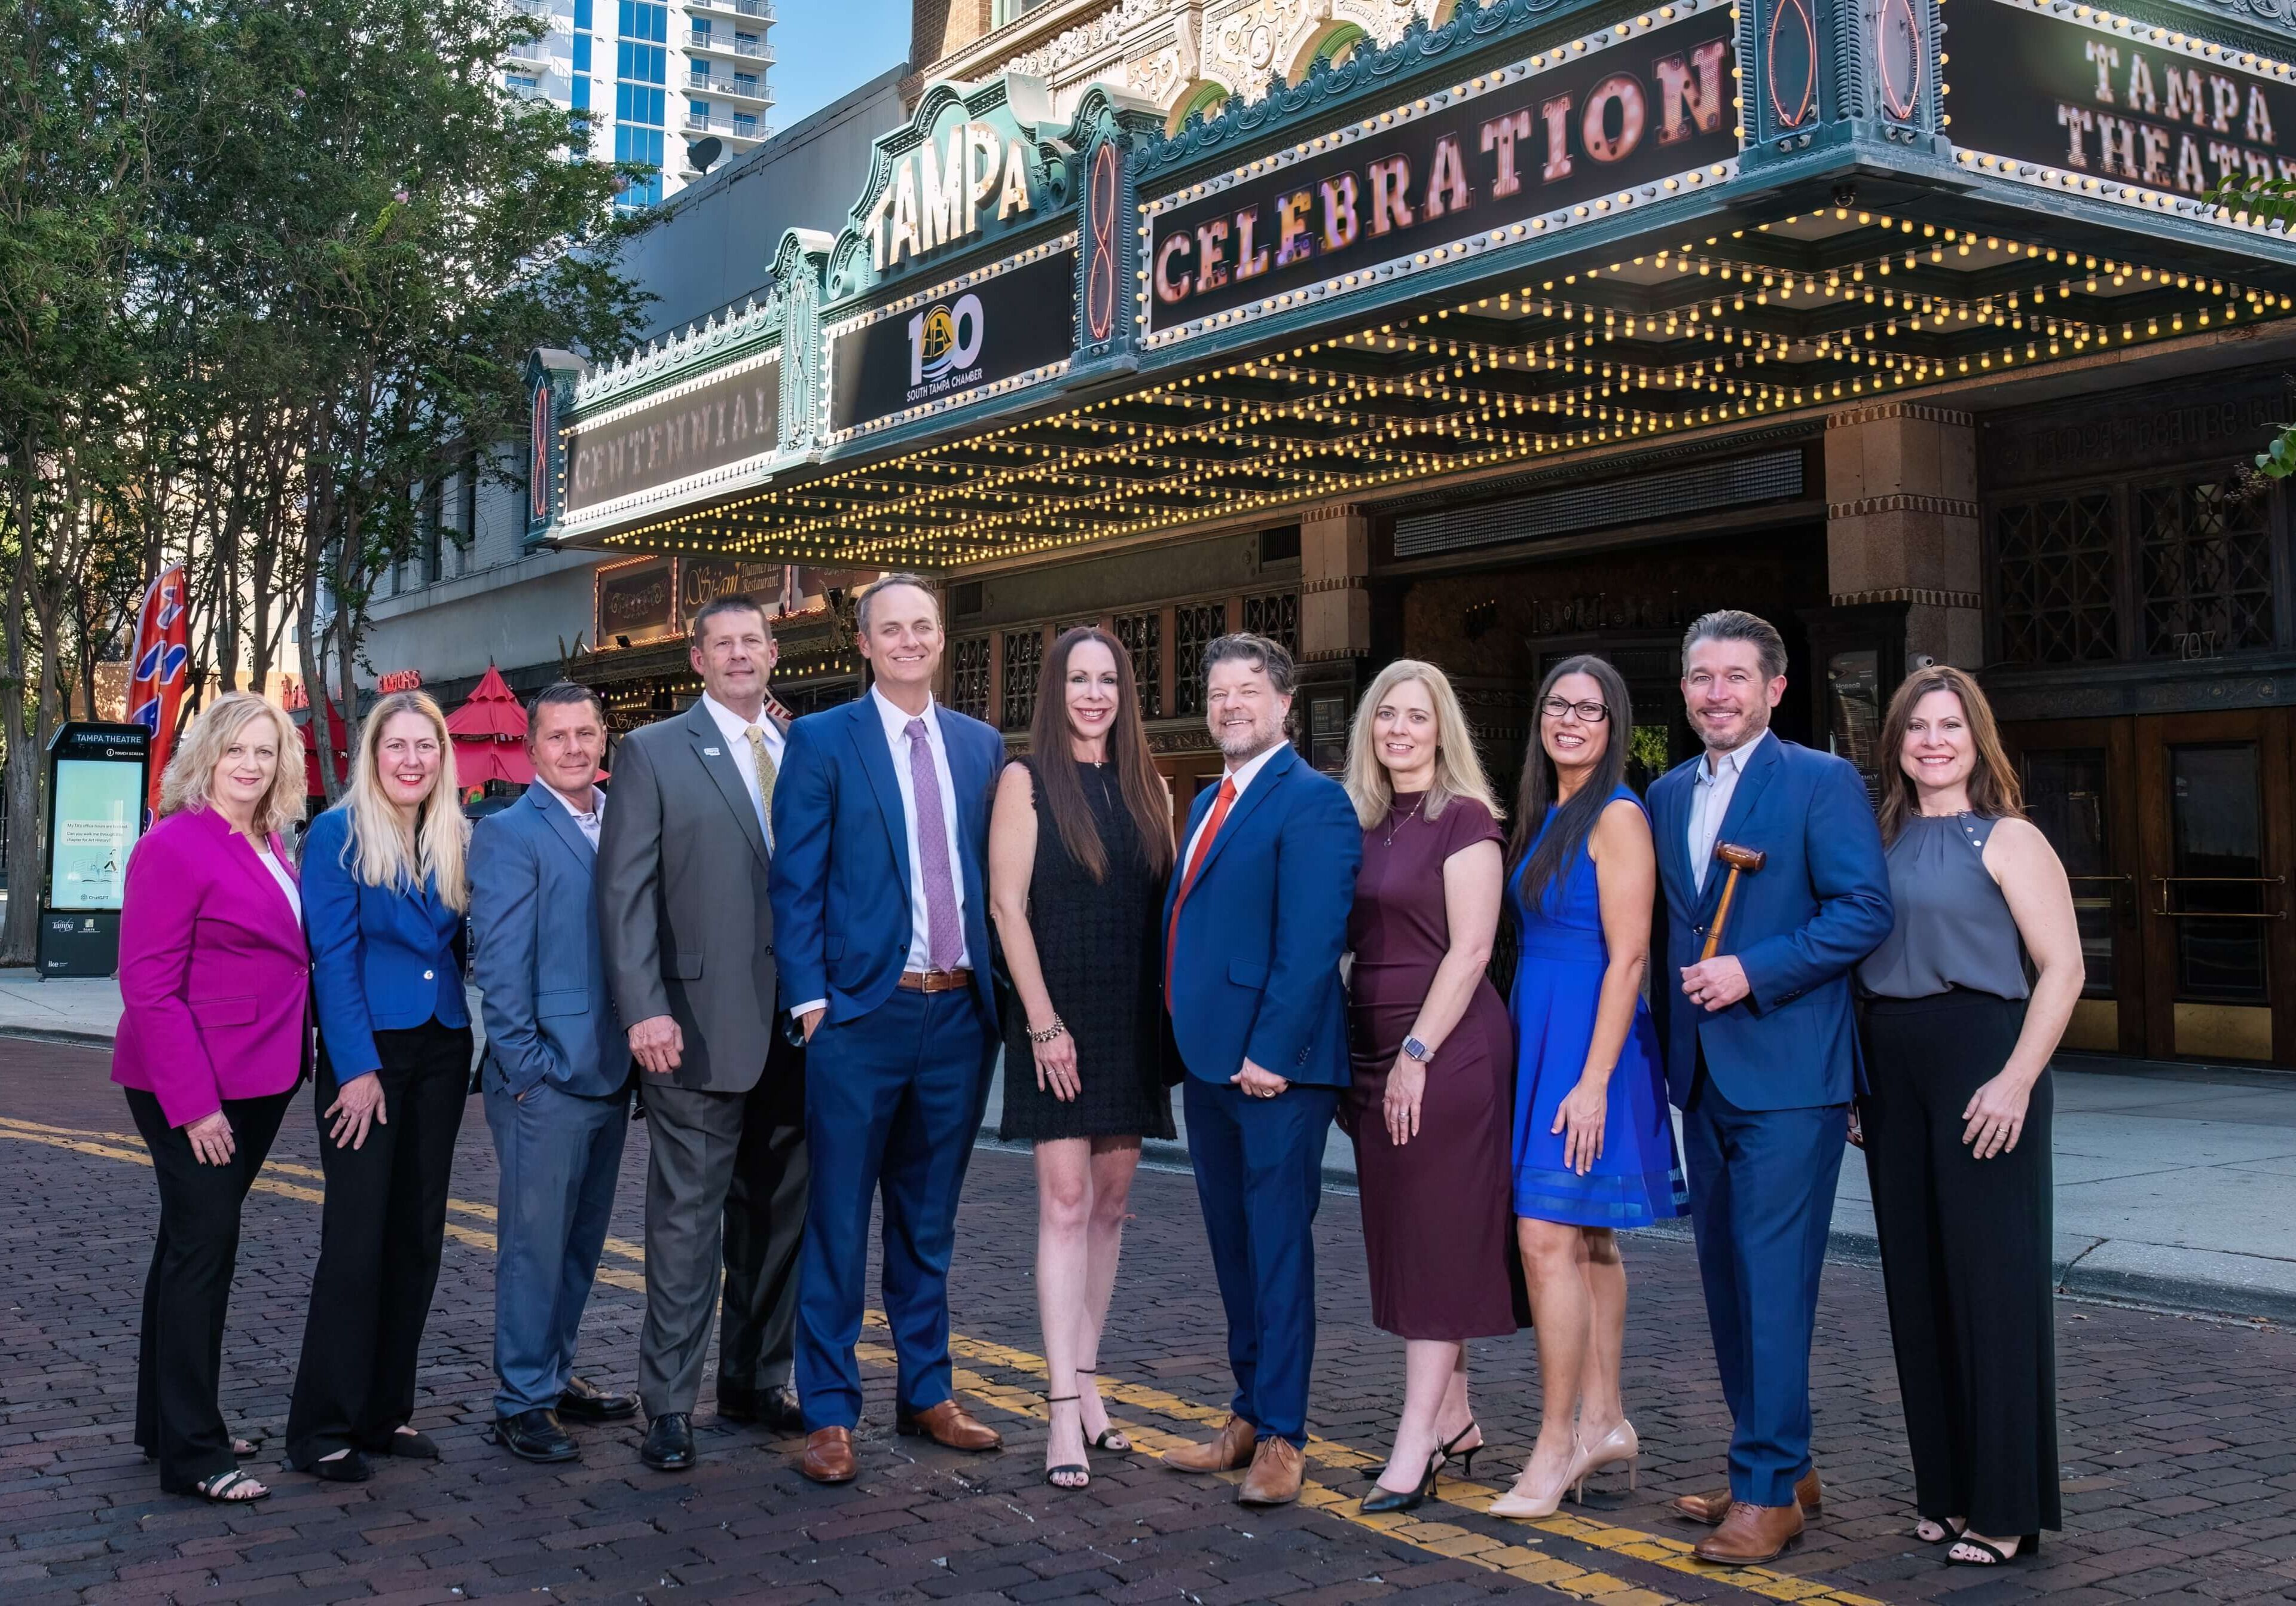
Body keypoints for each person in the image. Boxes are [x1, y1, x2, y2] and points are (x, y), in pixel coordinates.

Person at [1647, 610, 1893, 1564]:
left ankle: (1768, 1493)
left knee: (1773, 1280)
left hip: (1794, 1076)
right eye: (1701, 676)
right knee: (1726, 1281)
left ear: (1775, 688)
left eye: (1736, 677)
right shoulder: (1667, 794)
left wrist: (1758, 969)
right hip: (1702, 1077)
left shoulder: (1822, 783)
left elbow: (1865, 910)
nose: (1717, 692)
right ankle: (1779, 1466)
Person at [771, 573, 1007, 1486]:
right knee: (835, 1217)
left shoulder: (982, 747)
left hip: (956, 1014)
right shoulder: (824, 740)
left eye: (923, 626)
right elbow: (794, 882)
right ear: (863, 645)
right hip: (859, 1016)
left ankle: (928, 1391)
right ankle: (829, 1412)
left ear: (941, 638)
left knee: (928, 1221)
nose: (909, 640)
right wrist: (812, 1003)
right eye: (890, 629)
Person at [1856, 666, 2079, 1568]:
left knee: (1994, 1285)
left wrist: (2018, 1079)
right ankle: (1946, 1490)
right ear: (1897, 742)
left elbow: (2061, 968)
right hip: (1891, 1067)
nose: (1934, 741)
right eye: (1918, 726)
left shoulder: (2011, 839)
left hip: (1984, 1057)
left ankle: (2005, 1506)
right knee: (1917, 1282)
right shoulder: (1877, 839)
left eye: (1951, 725)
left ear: (1977, 739)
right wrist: (1858, 1082)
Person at [597, 596, 810, 1473]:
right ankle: (670, 1405)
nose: (738, 655)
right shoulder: (650, 753)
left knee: (778, 1216)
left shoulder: (807, 749)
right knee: (686, 1225)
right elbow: (624, 895)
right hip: (688, 1028)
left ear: (772, 652)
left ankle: (757, 1379)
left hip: (795, 1030)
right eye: (721, 644)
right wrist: (644, 1006)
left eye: (751, 642)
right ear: (696, 659)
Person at [1159, 633, 1360, 1509]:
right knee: (1233, 1248)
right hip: (1209, 1064)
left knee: (1278, 1250)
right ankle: (1246, 1412)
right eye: (1219, 692)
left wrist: (1272, 1053)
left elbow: (1313, 940)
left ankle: (1284, 1432)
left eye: (1249, 690)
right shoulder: (1210, 798)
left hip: (1275, 1068)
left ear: (1286, 704)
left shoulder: (1313, 802)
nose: (1231, 703)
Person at [1490, 655, 1684, 1520]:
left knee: (1545, 1240)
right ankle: (1606, 1419)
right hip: (1542, 1035)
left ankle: (1557, 1437)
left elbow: (1631, 957)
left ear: (1616, 727)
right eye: (1558, 704)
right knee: (1591, 1244)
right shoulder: (1551, 811)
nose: (1571, 719)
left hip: (1590, 1049)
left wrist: (1595, 1080)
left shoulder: (1617, 815)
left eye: (1591, 709)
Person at [989, 628, 1177, 1491]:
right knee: (1063, 1203)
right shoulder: (1026, 781)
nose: (1094, 693)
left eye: (1107, 679)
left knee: (1109, 1205)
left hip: (1128, 1019)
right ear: (1054, 688)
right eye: (1078, 678)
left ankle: (1091, 1382)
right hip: (1056, 1019)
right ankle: (1061, 1407)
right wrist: (1041, 1023)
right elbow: (1006, 906)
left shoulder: (1150, 789)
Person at [113, 693, 310, 1504]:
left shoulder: (266, 839)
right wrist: (195, 1105)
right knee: (204, 1250)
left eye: (266, 751)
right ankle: (193, 1453)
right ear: (206, 756)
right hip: (192, 1084)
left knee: (187, 1245)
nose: (251, 765)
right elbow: (148, 986)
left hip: (259, 1074)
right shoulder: (174, 843)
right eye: (236, 750)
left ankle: (165, 1420)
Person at [1336, 660, 1516, 1516]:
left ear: (1442, 728)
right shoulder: (1363, 822)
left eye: (1416, 716)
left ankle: (1415, 1447)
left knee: (1437, 1243)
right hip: (1374, 1049)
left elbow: (1472, 949)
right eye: (1386, 717)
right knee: (1406, 1235)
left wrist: (1415, 1050)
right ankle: (1455, 1415)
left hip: (1443, 1047)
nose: (1400, 730)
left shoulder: (1466, 819)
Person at [286, 689, 475, 1482]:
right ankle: (320, 1426)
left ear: (441, 756)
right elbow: (331, 956)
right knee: (356, 1241)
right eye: (395, 746)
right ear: (373, 754)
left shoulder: (455, 833)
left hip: (442, 1043)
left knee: (417, 1236)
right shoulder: (336, 833)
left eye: (423, 747)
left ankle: (385, 1411)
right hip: (369, 1055)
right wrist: (355, 1065)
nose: (410, 760)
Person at [469, 683, 639, 1465]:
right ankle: (520, 1401)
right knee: (534, 1248)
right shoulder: (510, 832)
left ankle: (553, 1373)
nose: (575, 748)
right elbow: (500, 969)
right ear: (533, 749)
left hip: (612, 1074)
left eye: (586, 733)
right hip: (545, 1081)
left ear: (604, 739)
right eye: (558, 736)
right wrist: (527, 1070)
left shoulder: (624, 822)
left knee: (577, 1246)